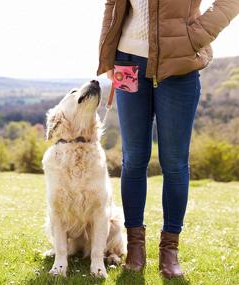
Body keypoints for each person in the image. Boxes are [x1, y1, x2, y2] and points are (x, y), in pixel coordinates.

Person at [97, 0, 239, 279]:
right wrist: (108, 53)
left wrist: (194, 36)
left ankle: (169, 250)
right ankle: (135, 248)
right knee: (134, 159)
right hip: (128, 62)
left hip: (179, 67)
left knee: (174, 163)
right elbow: (113, 5)